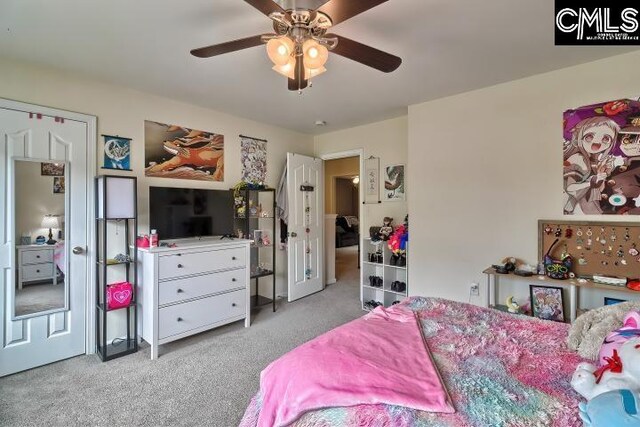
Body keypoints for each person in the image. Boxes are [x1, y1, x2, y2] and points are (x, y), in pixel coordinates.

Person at [564, 116, 622, 214]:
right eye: (589, 136)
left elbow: (598, 189)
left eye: (606, 139)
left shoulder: (593, 160)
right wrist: (592, 181)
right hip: (578, 208)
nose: (597, 143)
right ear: (578, 136)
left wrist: (602, 175)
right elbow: (570, 188)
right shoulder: (578, 158)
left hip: (589, 206)